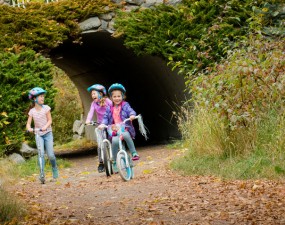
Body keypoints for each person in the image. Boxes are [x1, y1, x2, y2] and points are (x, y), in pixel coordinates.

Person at [99, 83, 140, 173]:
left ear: (123, 96)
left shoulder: (125, 105)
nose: (117, 98)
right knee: (115, 141)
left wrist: (132, 115)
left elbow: (130, 110)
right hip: (114, 129)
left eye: (119, 96)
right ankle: (114, 161)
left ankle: (134, 153)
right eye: (115, 97)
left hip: (123, 127)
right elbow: (105, 118)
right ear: (111, 98)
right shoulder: (109, 108)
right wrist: (103, 124)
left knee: (126, 135)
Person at [26, 87, 59, 181]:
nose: (42, 98)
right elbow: (28, 123)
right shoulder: (32, 111)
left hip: (48, 134)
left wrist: (45, 126)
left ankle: (54, 168)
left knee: (51, 155)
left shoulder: (46, 108)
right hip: (38, 134)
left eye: (43, 96)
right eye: (40, 96)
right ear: (34, 99)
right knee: (40, 154)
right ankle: (42, 174)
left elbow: (50, 120)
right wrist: (29, 128)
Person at [85, 84, 112, 173]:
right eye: (92, 94)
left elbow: (113, 109)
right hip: (100, 125)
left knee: (112, 140)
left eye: (94, 93)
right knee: (100, 144)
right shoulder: (93, 104)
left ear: (101, 93)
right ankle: (101, 162)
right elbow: (90, 112)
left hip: (109, 124)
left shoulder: (108, 101)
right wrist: (88, 120)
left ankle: (115, 158)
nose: (93, 96)